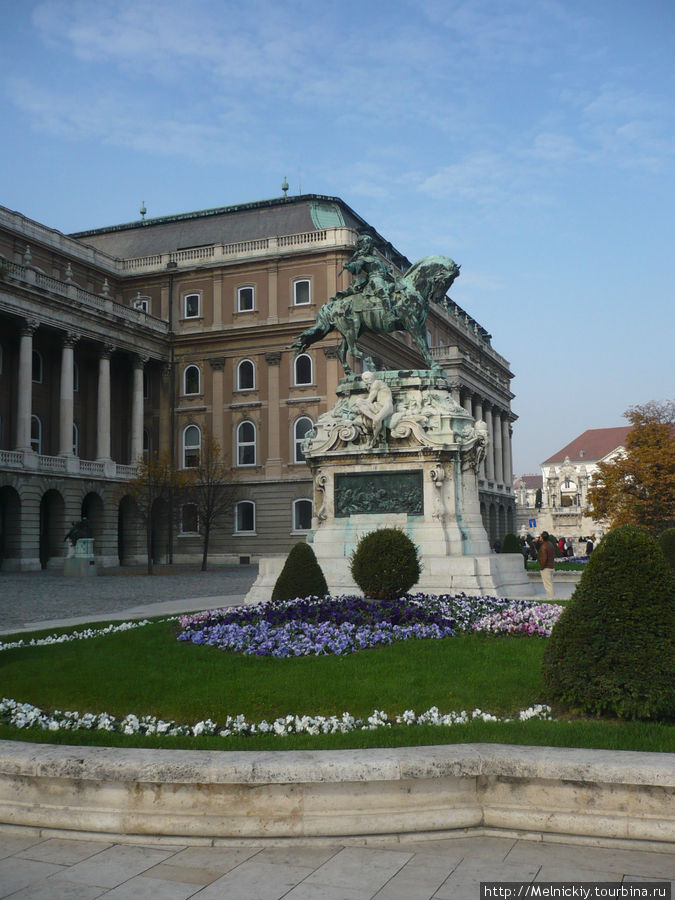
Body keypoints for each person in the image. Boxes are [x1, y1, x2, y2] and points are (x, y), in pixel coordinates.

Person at [351, 371, 394, 447]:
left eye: (367, 378)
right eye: (365, 379)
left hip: (387, 406)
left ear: (372, 378)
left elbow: (369, 400)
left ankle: (374, 439)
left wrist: (358, 402)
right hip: (378, 406)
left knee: (376, 420)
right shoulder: (374, 385)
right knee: (376, 420)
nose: (366, 381)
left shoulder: (377, 383)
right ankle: (374, 422)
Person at [538, 531, 555, 600]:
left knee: (548, 585)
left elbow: (544, 558)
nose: (539, 538)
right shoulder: (550, 544)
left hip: (546, 567)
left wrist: (542, 567)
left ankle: (550, 598)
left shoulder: (544, 546)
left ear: (542, 538)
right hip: (551, 566)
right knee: (550, 584)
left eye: (540, 537)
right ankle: (552, 597)